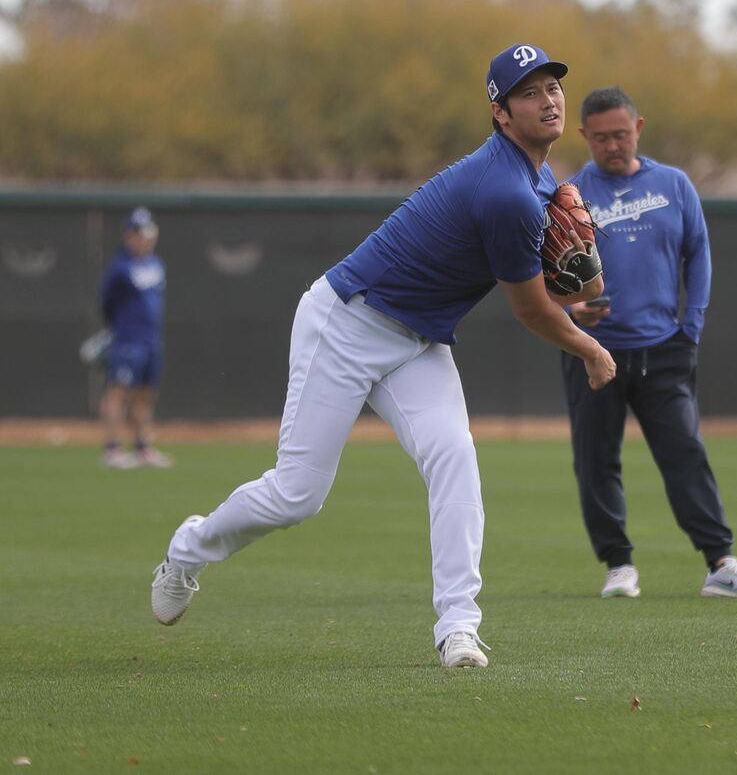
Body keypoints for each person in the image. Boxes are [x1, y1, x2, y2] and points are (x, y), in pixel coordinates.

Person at [150, 44, 616, 670]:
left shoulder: (538, 182)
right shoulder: (506, 190)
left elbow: (561, 289)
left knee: (453, 456)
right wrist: (587, 346)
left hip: (417, 342)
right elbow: (531, 310)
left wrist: (582, 293)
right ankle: (188, 549)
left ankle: (459, 627)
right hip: (346, 322)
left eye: (553, 86)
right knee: (298, 495)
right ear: (500, 113)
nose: (549, 98)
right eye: (529, 92)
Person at [561, 87, 737, 600]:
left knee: (685, 454)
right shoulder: (569, 195)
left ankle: (720, 564)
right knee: (596, 459)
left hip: (664, 347)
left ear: (638, 128)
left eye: (620, 134)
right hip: (595, 352)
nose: (612, 145)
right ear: (584, 137)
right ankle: (618, 567)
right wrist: (571, 311)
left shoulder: (674, 184)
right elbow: (547, 274)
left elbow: (697, 253)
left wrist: (692, 325)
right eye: (600, 138)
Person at [99, 206, 172, 469]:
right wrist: (119, 329)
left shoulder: (155, 264)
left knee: (146, 393)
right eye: (139, 234)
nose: (145, 239)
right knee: (118, 391)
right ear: (128, 235)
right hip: (128, 339)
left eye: (148, 234)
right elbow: (106, 303)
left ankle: (143, 446)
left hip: (151, 339)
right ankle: (113, 448)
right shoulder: (120, 268)